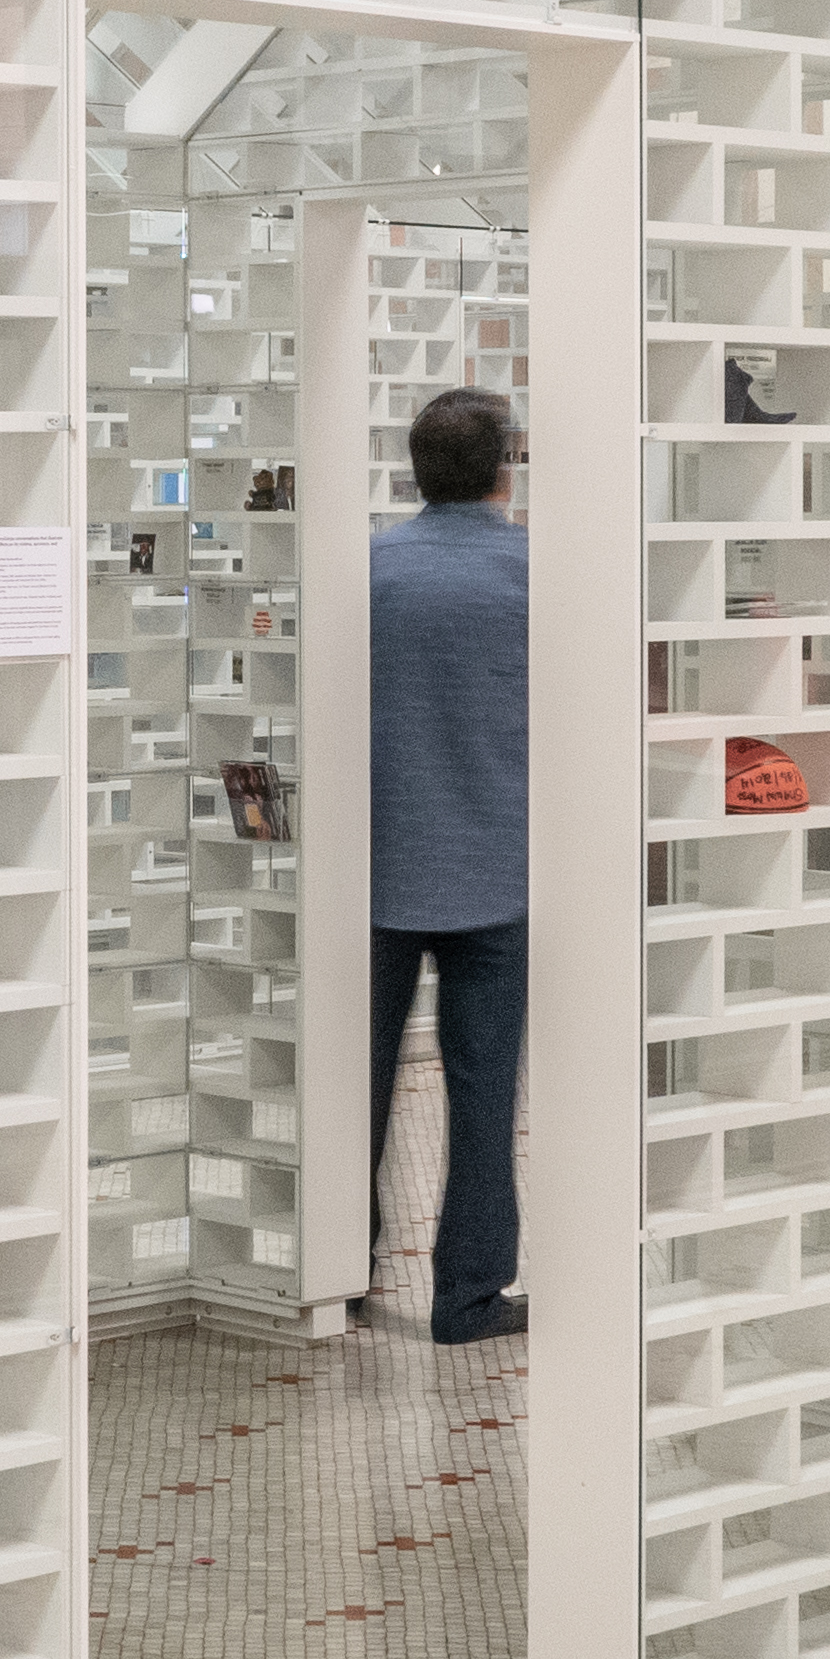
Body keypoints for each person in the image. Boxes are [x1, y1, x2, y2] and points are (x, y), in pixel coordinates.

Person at [366, 386, 530, 1344]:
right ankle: (466, 1298)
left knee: (357, 1083)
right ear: (504, 466)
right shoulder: (538, 572)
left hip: (377, 871)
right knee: (482, 1094)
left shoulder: (367, 569)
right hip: (499, 870)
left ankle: (340, 1275)